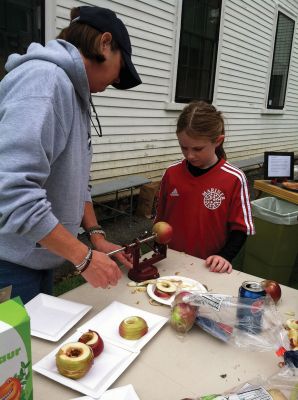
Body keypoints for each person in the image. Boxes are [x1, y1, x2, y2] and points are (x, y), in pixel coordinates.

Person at [0, 6, 142, 304]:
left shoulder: (72, 92)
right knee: (19, 352)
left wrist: (96, 235)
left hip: (41, 254)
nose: (117, 81)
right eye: (121, 67)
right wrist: (82, 257)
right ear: (105, 43)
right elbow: (11, 190)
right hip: (9, 263)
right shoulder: (45, 82)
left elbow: (77, 181)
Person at [154, 101, 255, 274]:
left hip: (209, 267)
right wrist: (157, 248)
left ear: (218, 141)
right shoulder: (171, 173)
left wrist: (224, 256)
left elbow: (241, 229)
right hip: (169, 261)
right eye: (183, 147)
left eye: (198, 148)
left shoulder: (234, 178)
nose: (190, 155)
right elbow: (160, 219)